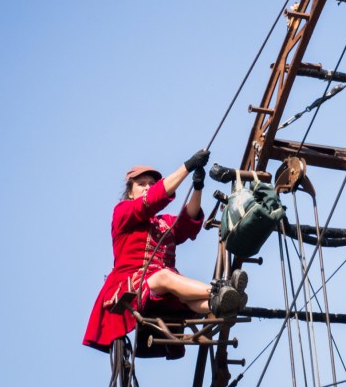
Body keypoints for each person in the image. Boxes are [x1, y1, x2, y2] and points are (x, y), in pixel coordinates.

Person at [83, 150, 247, 358]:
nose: (147, 187)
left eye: (151, 183)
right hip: (134, 285)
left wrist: (198, 188)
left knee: (188, 299)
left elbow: (187, 223)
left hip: (165, 289)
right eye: (141, 184)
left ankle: (227, 301)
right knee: (166, 277)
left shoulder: (163, 223)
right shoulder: (122, 213)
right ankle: (222, 291)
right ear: (130, 192)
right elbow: (152, 200)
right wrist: (187, 167)